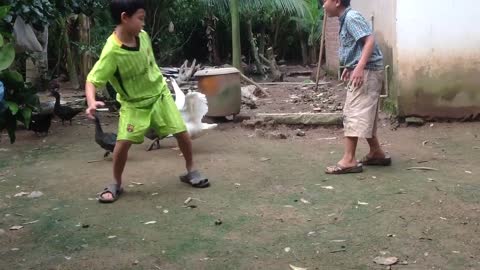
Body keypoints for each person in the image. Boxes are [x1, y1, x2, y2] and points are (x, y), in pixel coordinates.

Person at [85, 0, 210, 203]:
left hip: (159, 95)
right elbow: (92, 79)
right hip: (134, 104)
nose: (144, 24)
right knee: (122, 144)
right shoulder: (112, 52)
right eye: (140, 19)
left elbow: (150, 64)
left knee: (182, 133)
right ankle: (116, 183)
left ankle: (191, 170)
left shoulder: (142, 36)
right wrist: (91, 101)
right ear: (125, 17)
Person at [322, 0, 391, 174]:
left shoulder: (351, 17)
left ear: (337, 2)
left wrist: (359, 68)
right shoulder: (346, 18)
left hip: (368, 72)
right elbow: (357, 46)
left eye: (325, 1)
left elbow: (369, 41)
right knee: (365, 113)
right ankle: (376, 153)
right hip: (368, 70)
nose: (323, 5)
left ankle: (349, 160)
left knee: (353, 111)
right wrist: (351, 66)